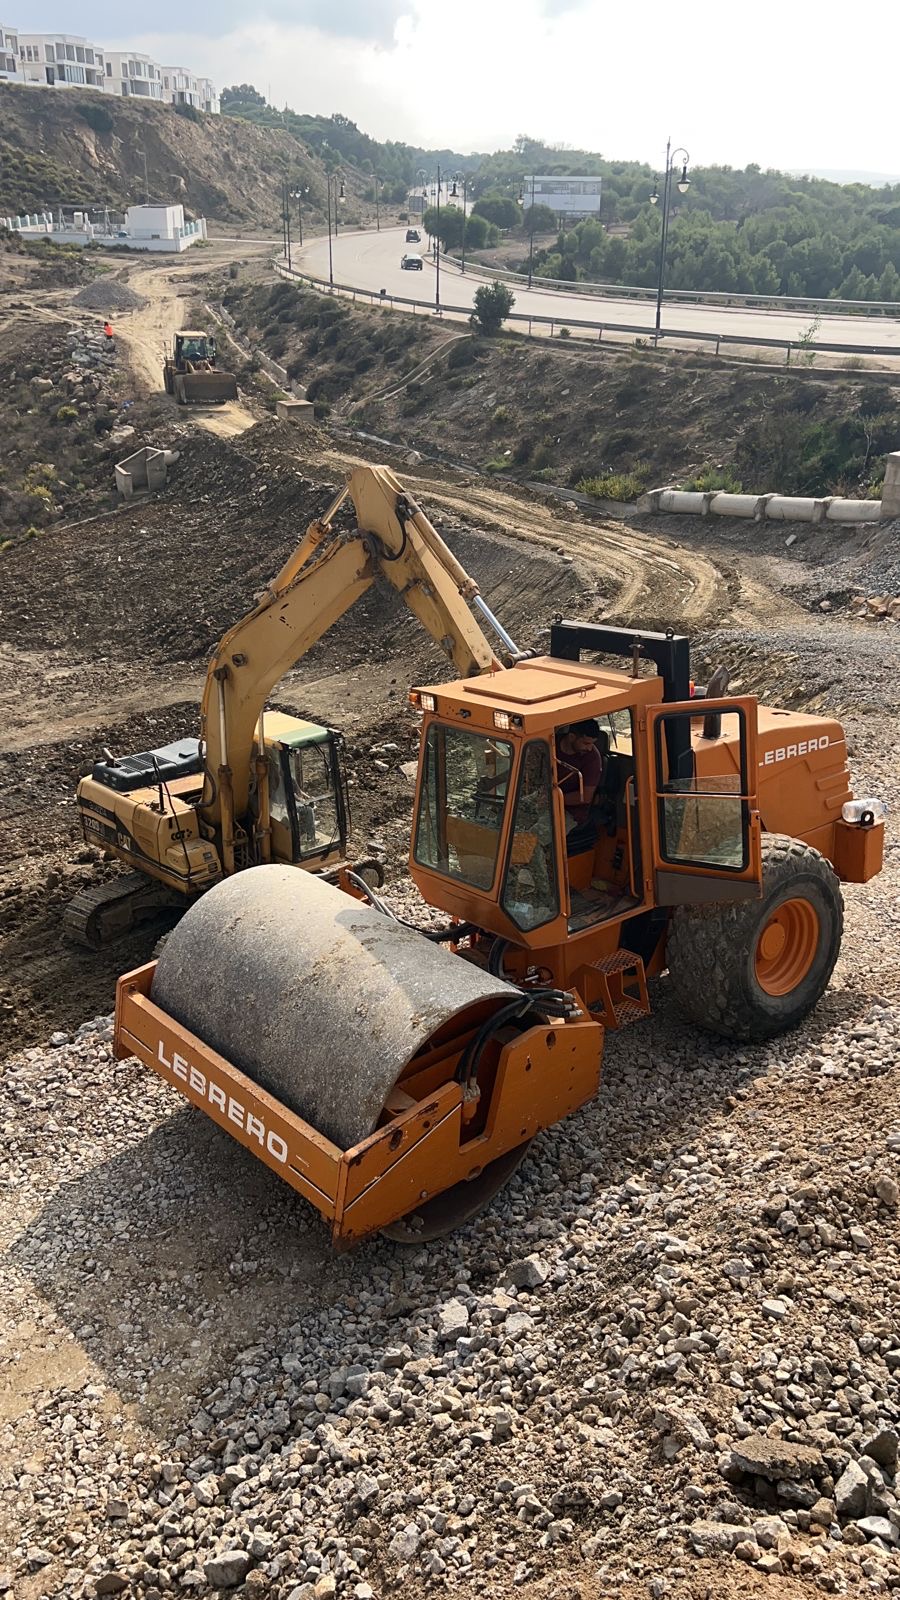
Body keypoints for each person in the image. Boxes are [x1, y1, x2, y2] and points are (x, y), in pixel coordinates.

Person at [556, 719, 605, 853]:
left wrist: (554, 799)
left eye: (592, 744)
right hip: (542, 802)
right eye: (586, 743)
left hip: (572, 812)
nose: (589, 748)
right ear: (571, 737)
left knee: (543, 837)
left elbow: (586, 797)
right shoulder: (549, 744)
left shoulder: (592, 758)